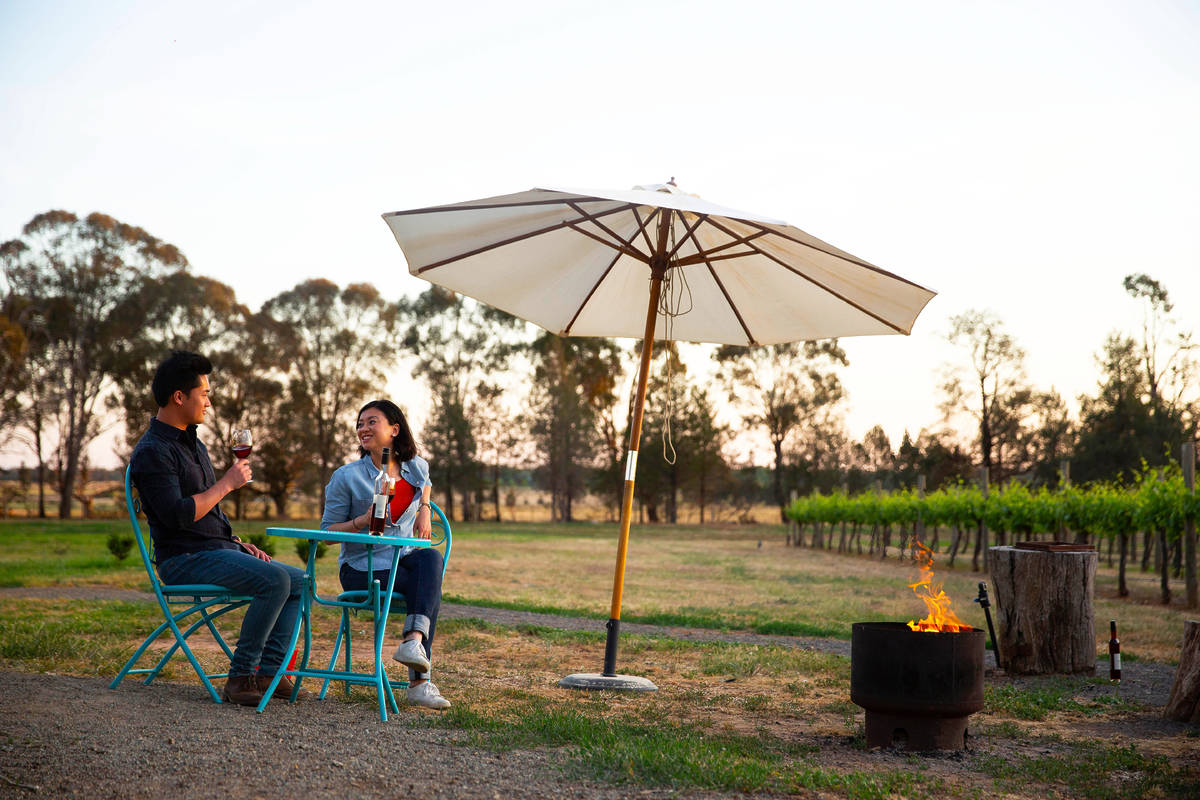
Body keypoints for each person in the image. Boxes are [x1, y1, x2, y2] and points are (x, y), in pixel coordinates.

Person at [130, 351, 309, 707]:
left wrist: (237, 543)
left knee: (299, 581)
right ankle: (241, 676)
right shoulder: (153, 451)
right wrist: (227, 483)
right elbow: (178, 516)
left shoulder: (195, 443)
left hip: (215, 550)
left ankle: (271, 673)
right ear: (179, 397)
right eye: (205, 393)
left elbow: (209, 512)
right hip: (183, 559)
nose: (209, 402)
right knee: (275, 581)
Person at [321, 399, 450, 710]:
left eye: (371, 422)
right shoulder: (346, 476)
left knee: (430, 558)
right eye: (360, 423)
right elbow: (326, 534)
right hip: (361, 568)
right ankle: (419, 681)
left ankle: (413, 643)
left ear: (394, 430)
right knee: (427, 587)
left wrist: (424, 508)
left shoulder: (416, 466)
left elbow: (426, 483)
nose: (363, 428)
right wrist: (361, 522)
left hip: (401, 561)